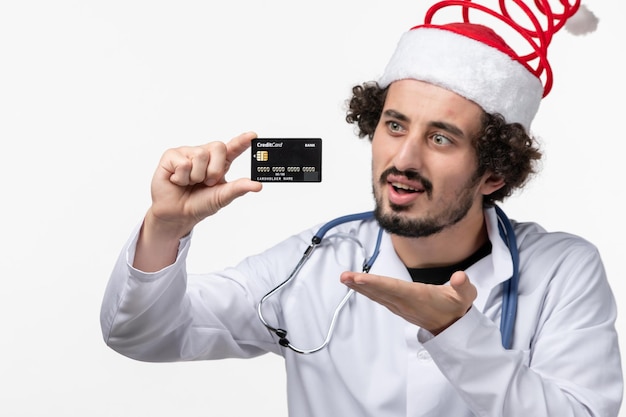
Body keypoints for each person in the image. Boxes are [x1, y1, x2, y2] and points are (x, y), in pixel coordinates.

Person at [100, 1, 623, 416]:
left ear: (494, 172)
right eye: (394, 126)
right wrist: (165, 226)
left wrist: (457, 333)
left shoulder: (562, 271)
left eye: (441, 138)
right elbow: (141, 333)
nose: (403, 158)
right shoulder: (311, 263)